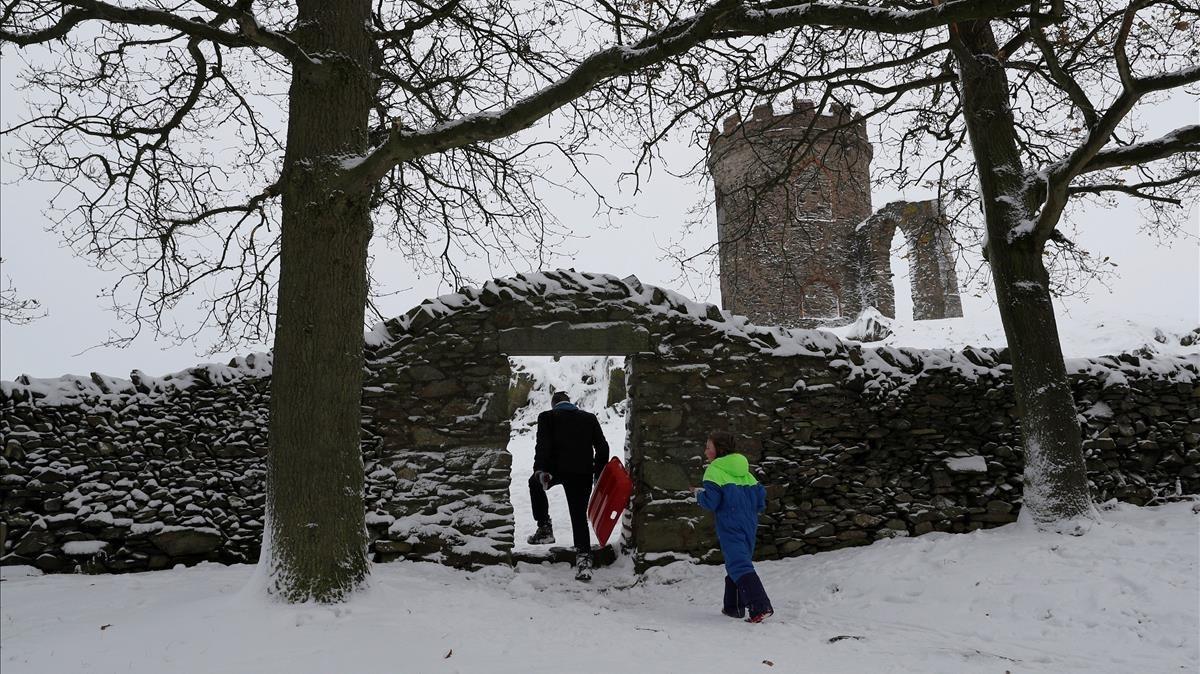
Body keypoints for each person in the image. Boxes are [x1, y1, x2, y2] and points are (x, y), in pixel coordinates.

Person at [527, 390, 609, 581]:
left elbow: (543, 445)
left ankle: (544, 528)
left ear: (554, 404)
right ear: (570, 403)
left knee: (534, 483)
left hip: (553, 472)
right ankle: (583, 560)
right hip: (582, 473)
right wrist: (598, 474)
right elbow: (603, 448)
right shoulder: (589, 418)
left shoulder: (547, 417)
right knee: (578, 516)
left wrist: (540, 470)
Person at [695, 430, 774, 623]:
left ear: (718, 450)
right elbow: (760, 497)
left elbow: (712, 502)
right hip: (749, 523)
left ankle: (760, 606)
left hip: (730, 523)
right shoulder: (744, 471)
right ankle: (733, 607)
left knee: (739, 564)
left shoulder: (714, 470)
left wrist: (699, 494)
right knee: (736, 561)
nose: (705, 451)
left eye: (708, 447)